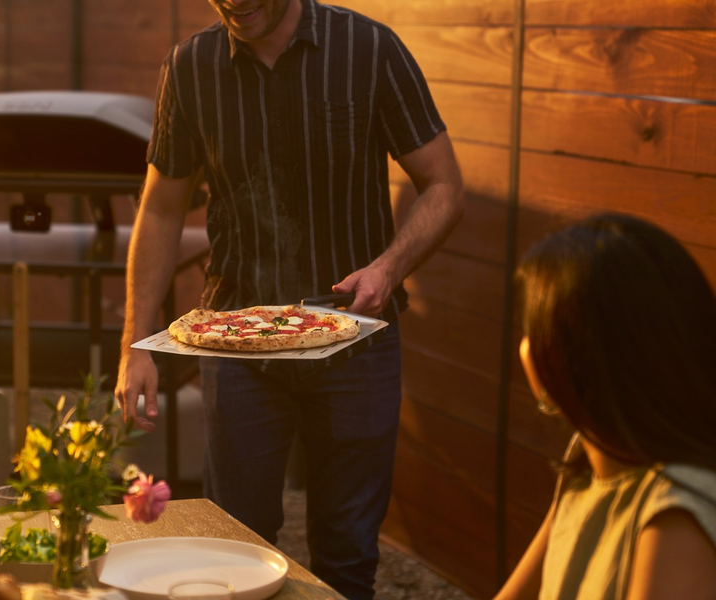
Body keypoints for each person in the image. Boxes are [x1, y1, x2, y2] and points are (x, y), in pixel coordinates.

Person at [114, 0, 465, 598]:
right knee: (236, 547)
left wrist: (389, 267)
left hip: (356, 338)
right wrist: (134, 346)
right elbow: (161, 207)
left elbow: (444, 185)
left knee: (348, 551)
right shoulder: (191, 66)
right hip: (236, 342)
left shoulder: (371, 49)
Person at [495, 213, 716, 600]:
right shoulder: (588, 456)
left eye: (531, 330)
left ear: (563, 361)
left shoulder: (675, 518)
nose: (524, 346)